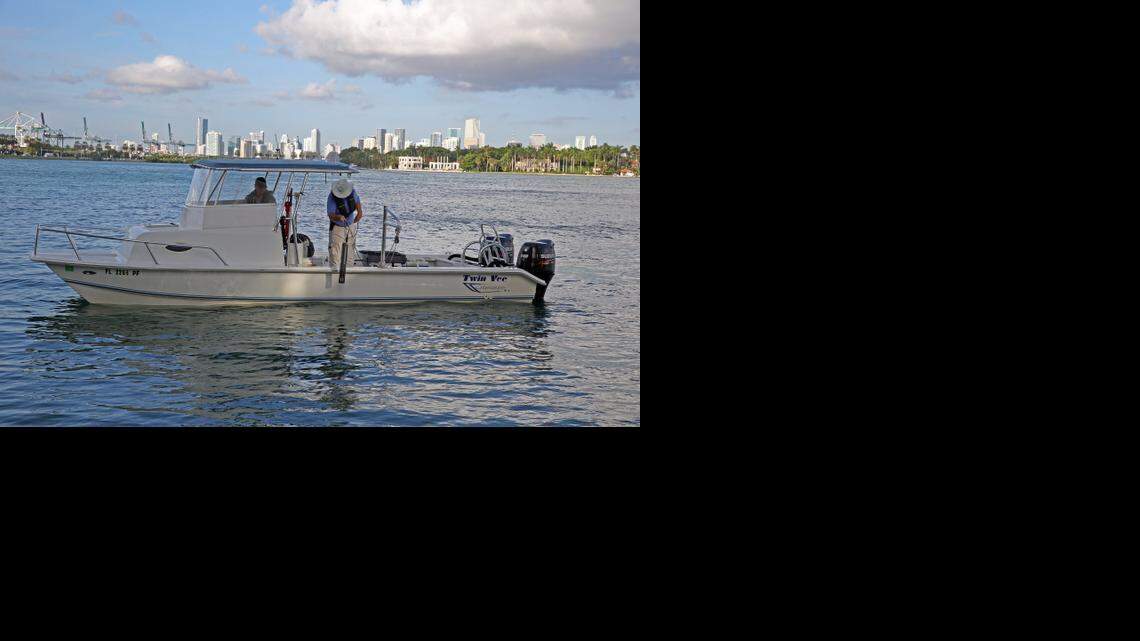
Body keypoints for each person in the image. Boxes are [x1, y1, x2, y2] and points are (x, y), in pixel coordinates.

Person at [327, 178, 363, 269]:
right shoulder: (332, 197)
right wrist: (338, 217)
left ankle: (349, 269)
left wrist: (359, 212)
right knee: (335, 251)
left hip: (350, 225)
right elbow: (330, 214)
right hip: (337, 227)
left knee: (350, 248)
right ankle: (334, 269)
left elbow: (357, 201)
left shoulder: (352, 192)